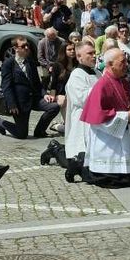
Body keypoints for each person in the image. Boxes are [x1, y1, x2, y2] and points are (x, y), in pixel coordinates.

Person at [73, 48, 130, 187]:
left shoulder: (124, 82)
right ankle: (78, 165)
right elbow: (98, 118)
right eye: (122, 62)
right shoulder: (102, 85)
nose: (127, 65)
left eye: (126, 61)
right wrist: (126, 117)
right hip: (109, 143)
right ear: (110, 64)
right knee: (112, 179)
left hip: (126, 139)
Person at [51, 37, 100, 177]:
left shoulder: (97, 72)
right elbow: (83, 99)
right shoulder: (76, 76)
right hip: (82, 122)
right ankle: (55, 149)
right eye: (90, 53)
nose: (94, 56)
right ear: (79, 57)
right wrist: (101, 89)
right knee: (76, 160)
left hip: (95, 120)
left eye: (94, 52)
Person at [0, 38, 60, 139]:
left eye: (27, 45)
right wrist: (12, 104)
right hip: (19, 103)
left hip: (34, 98)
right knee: (22, 134)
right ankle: (0, 122)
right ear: (15, 48)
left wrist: (45, 94)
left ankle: (39, 131)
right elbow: (6, 86)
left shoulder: (30, 62)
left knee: (54, 107)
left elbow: (37, 83)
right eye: (23, 46)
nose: (27, 48)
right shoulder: (8, 64)